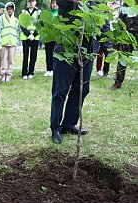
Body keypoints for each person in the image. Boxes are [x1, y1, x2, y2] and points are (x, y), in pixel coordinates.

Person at [50, 0, 99, 144]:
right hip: (66, 51)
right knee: (60, 91)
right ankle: (56, 128)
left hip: (87, 53)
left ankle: (69, 123)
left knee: (81, 90)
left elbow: (104, 21)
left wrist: (106, 45)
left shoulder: (96, 2)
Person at [111, 0, 138, 90]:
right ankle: (118, 82)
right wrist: (118, 31)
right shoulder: (130, 1)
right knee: (123, 57)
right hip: (128, 32)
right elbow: (122, 14)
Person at [0, 2, 20, 82]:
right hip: (3, 42)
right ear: (6, 9)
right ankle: (3, 75)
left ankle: (8, 75)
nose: (10, 10)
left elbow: (17, 32)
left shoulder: (16, 20)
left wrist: (18, 43)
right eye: (8, 9)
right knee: (3, 60)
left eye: (11, 9)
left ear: (13, 10)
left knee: (11, 60)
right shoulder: (1, 19)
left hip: (12, 42)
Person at [19, 0, 41, 80]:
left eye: (33, 1)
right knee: (25, 55)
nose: (31, 3)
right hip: (26, 37)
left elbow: (40, 25)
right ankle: (24, 73)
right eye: (29, 1)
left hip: (35, 37)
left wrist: (34, 34)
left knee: (33, 55)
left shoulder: (39, 12)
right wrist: (28, 34)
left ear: (35, 2)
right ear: (27, 3)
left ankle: (31, 72)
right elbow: (21, 24)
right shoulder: (23, 12)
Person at [43, 0, 58, 77]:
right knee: (48, 54)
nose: (54, 4)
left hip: (56, 38)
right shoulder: (48, 13)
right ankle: (48, 69)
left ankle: (54, 69)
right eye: (52, 3)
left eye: (55, 3)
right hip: (48, 37)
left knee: (54, 55)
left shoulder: (59, 13)